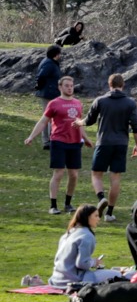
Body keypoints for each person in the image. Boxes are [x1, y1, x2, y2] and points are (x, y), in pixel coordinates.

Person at [78, 73, 137, 221]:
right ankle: (109, 213)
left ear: (109, 84)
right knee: (115, 177)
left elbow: (89, 120)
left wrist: (78, 122)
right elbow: (136, 126)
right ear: (123, 84)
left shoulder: (100, 101)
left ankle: (101, 198)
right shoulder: (130, 103)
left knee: (96, 174)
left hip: (104, 142)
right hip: (121, 144)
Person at [25, 74, 84, 214]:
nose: (70, 88)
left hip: (75, 142)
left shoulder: (78, 103)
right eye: (66, 86)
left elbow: (80, 123)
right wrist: (32, 136)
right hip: (58, 141)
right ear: (60, 87)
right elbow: (43, 121)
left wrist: (86, 139)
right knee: (58, 173)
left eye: (71, 86)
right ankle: (53, 205)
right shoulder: (54, 103)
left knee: (74, 175)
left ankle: (68, 204)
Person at [49, 204, 114, 289]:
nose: (99, 219)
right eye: (96, 216)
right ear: (87, 217)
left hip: (56, 279)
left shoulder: (68, 233)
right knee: (117, 275)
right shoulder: (87, 236)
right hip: (74, 280)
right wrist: (94, 262)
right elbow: (81, 263)